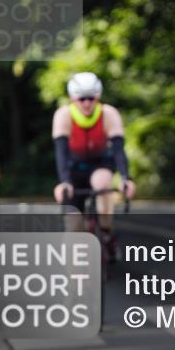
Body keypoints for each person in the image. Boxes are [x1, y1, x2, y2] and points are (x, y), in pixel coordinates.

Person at [52, 72, 135, 250]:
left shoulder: (109, 114)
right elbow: (61, 152)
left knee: (102, 184)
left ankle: (106, 231)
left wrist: (125, 178)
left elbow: (119, 151)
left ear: (98, 96)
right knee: (73, 226)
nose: (87, 103)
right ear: (73, 98)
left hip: (101, 163)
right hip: (73, 168)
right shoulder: (63, 115)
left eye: (91, 98)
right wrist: (64, 182)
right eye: (82, 99)